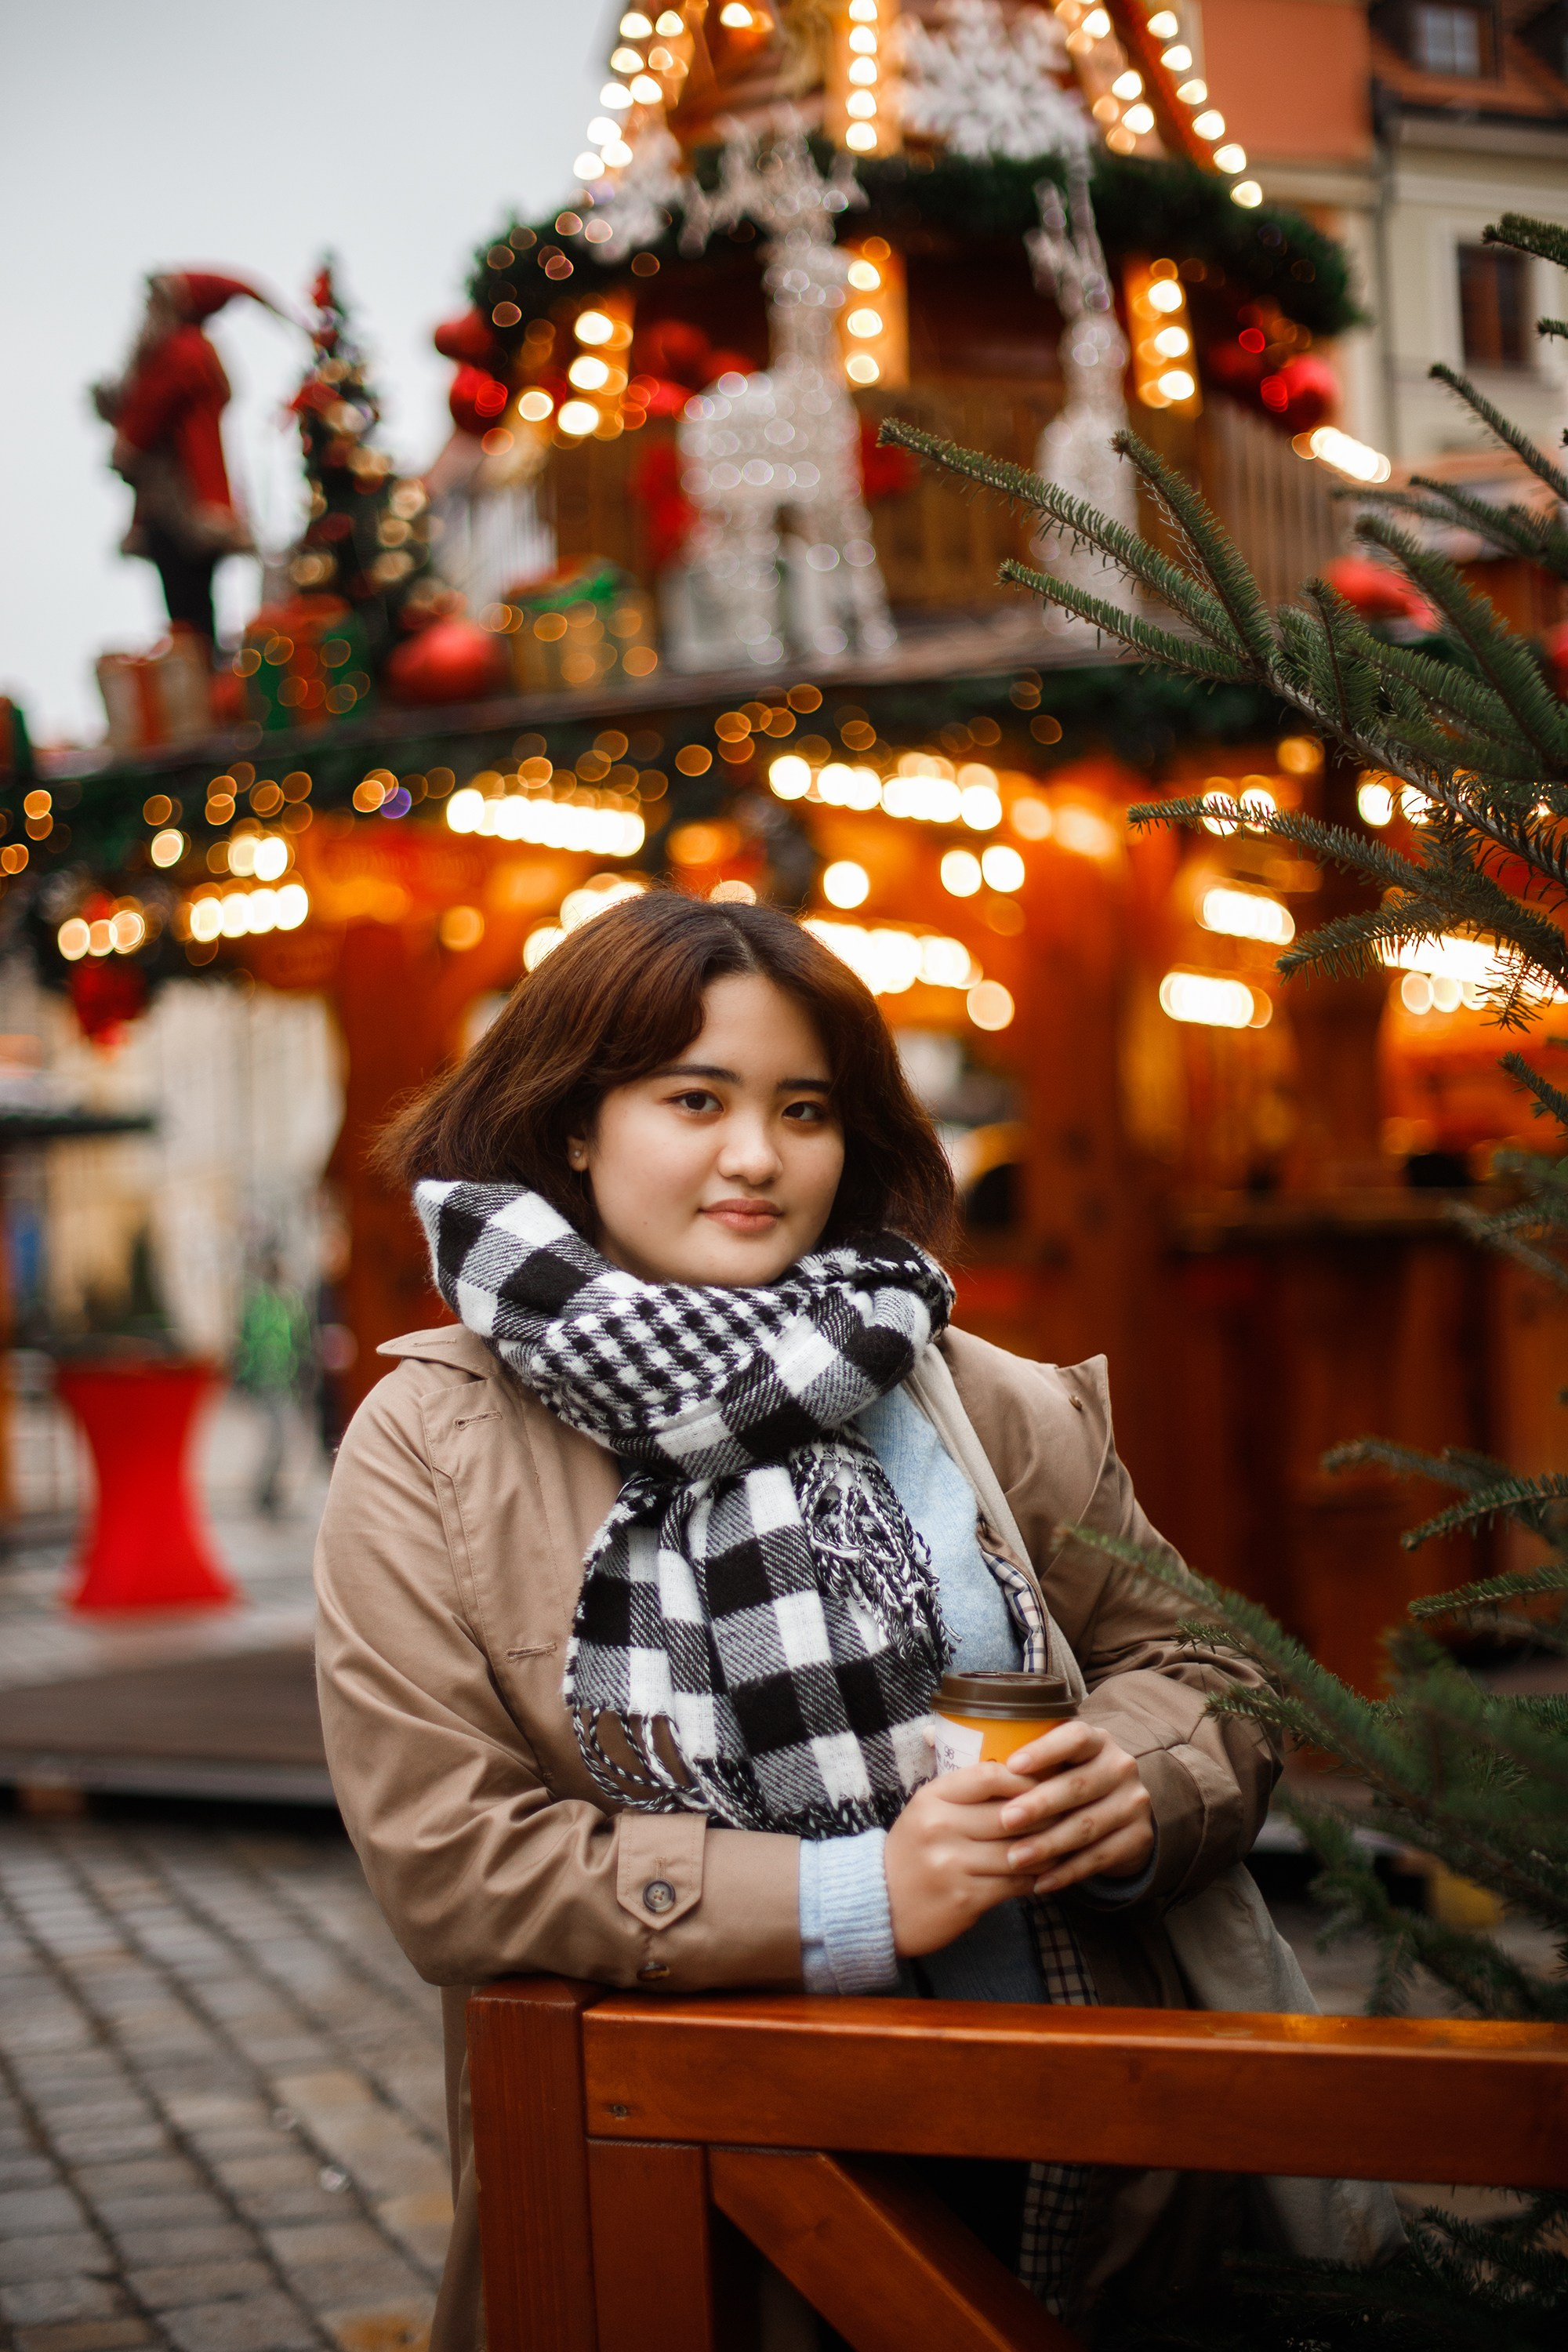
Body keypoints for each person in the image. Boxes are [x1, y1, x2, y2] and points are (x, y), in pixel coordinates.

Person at [314, 891, 1281, 2346]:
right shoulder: (430, 1444)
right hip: (678, 2190)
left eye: (805, 1109)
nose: (759, 1156)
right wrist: (857, 1899)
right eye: (695, 1099)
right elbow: (449, 1861)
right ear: (574, 1123)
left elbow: (1206, 1666)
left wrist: (1138, 1783)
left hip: (1081, 2160)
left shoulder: (981, 1394)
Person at [93, 270, 282, 644]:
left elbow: (149, 408)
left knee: (187, 604)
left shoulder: (181, 350)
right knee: (193, 600)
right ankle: (202, 660)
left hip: (182, 502)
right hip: (191, 500)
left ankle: (199, 667)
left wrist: (128, 440)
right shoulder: (191, 349)